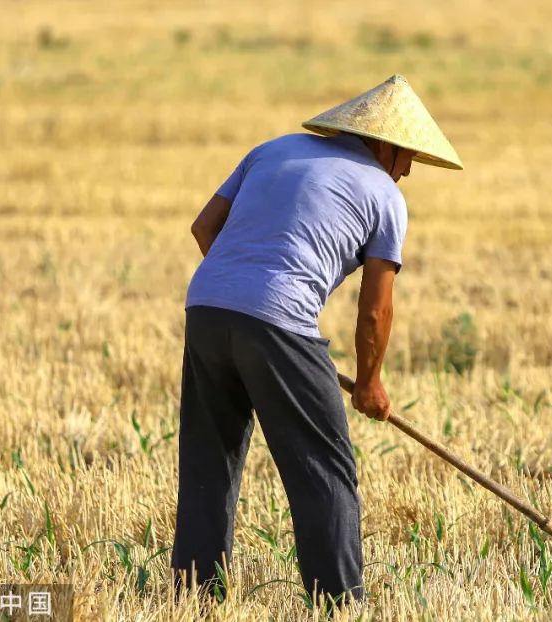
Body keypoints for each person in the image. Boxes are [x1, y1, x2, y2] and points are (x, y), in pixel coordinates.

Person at [169, 75, 462, 608]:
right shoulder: (384, 196)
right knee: (324, 470)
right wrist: (369, 383)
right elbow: (375, 310)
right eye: (409, 156)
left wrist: (241, 288)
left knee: (208, 460)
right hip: (278, 320)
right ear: (386, 143)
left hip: (207, 305)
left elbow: (203, 227)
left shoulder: (272, 150)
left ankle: (194, 598)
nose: (410, 169)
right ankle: (340, 604)